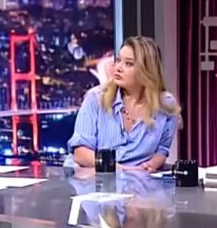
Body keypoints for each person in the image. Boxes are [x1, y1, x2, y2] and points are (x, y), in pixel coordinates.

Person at [66, 36, 181, 171]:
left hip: (140, 180)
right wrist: (122, 170)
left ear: (147, 70)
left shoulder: (166, 105)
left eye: (128, 64)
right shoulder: (95, 99)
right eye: (118, 60)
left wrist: (149, 166)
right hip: (95, 177)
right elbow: (81, 153)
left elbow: (162, 150)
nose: (118, 68)